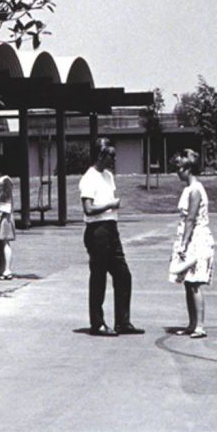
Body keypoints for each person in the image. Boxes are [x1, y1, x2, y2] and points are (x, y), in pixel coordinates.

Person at [79, 139, 144, 336]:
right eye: (110, 155)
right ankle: (97, 323)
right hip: (97, 230)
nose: (113, 159)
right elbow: (88, 209)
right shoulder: (88, 178)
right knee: (98, 277)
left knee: (123, 275)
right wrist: (110, 205)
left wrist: (111, 208)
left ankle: (122, 321)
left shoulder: (108, 176)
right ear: (100, 155)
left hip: (111, 228)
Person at [167, 149, 214, 338]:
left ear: (188, 169)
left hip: (197, 239)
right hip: (189, 237)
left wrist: (183, 244)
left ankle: (200, 326)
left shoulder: (195, 191)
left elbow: (191, 219)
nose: (177, 172)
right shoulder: (188, 189)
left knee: (194, 283)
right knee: (188, 282)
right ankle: (192, 323)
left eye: (179, 168)